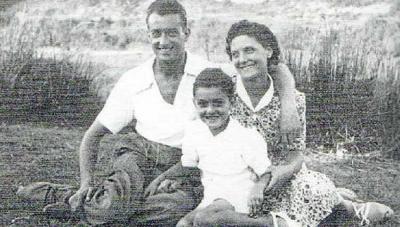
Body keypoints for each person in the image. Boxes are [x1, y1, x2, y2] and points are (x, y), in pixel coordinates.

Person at [196, 19, 393, 227]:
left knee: (308, 188)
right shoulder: (224, 94)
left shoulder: (292, 99)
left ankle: (348, 208)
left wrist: (279, 174)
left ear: (268, 50)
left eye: (249, 50)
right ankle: (285, 219)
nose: (242, 59)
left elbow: (296, 155)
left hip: (280, 176)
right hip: (237, 175)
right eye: (235, 54)